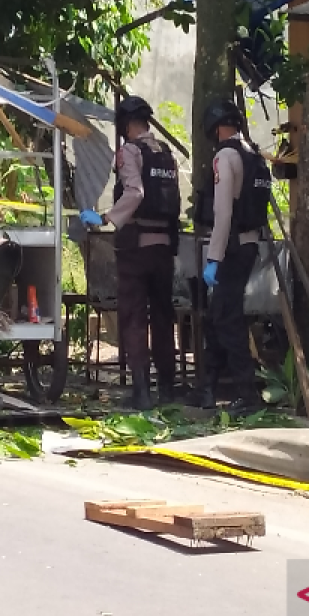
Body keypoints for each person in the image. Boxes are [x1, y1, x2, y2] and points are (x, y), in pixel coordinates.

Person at [80, 95, 181, 410]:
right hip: (165, 247)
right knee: (163, 317)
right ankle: (167, 387)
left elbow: (136, 192)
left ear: (124, 125)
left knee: (135, 317)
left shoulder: (129, 152)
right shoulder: (166, 154)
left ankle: (141, 392)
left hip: (136, 247)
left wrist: (107, 217)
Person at [195, 102, 272, 413]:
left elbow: (223, 211)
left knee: (228, 320)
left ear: (215, 128)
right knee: (219, 316)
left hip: (232, 247)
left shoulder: (225, 156)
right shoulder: (253, 155)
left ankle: (247, 394)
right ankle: (207, 389)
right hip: (250, 243)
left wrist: (214, 257)